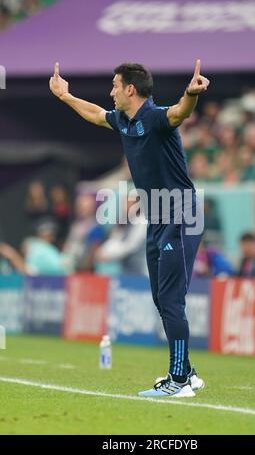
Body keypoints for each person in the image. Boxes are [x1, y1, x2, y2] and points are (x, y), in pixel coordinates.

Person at [50, 60, 210, 398]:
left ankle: (179, 381)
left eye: (114, 85)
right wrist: (66, 96)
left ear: (130, 89)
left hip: (180, 213)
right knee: (161, 296)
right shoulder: (123, 120)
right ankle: (188, 372)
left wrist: (191, 94)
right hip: (157, 216)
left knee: (170, 298)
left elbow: (180, 112)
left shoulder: (154, 117)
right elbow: (95, 114)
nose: (111, 91)